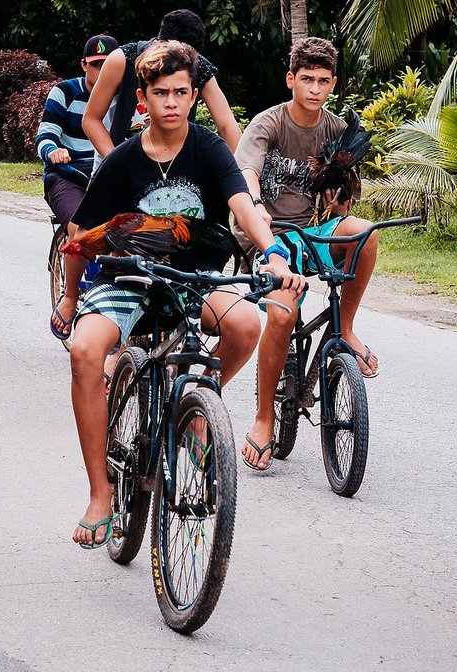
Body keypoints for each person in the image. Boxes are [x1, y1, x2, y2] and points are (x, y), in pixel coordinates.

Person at [67, 40, 305, 548]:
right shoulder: (122, 161)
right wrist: (71, 298)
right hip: (127, 280)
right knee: (86, 351)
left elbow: (241, 201)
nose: (171, 103)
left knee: (246, 324)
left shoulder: (208, 148)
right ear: (142, 100)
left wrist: (274, 254)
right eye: (160, 93)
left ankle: (198, 402)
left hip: (191, 281)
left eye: (180, 92)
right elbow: (79, 235)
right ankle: (99, 493)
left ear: (194, 95)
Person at [232, 36, 379, 471]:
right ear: (290, 79)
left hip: (312, 233)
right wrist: (257, 208)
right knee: (281, 315)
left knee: (364, 232)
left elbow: (345, 197)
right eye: (307, 79)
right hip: (266, 236)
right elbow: (245, 174)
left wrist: (341, 199)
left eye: (324, 81)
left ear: (333, 84)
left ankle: (346, 329)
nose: (315, 89)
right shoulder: (268, 123)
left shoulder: (335, 128)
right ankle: (262, 419)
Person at [36, 34, 119, 339]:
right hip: (68, 175)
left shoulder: (125, 98)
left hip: (109, 176)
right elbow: (45, 135)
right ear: (84, 65)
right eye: (95, 65)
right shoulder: (65, 92)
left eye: (107, 64)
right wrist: (52, 151)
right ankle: (70, 298)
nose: (101, 71)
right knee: (80, 227)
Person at [82, 9, 242, 164]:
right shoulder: (122, 59)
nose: (178, 65)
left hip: (173, 164)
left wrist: (243, 174)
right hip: (115, 155)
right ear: (159, 43)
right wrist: (117, 164)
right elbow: (91, 119)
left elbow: (227, 124)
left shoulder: (198, 66)